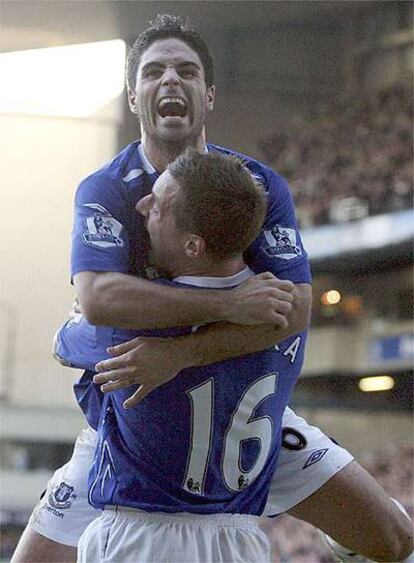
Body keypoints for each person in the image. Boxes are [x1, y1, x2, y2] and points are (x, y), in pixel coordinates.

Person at [11, 13, 412, 563]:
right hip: (137, 419)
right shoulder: (108, 188)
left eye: (186, 70)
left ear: (210, 93)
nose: (170, 80)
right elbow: (104, 298)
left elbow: (292, 311)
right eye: (153, 72)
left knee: (392, 537)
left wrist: (175, 352)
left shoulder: (254, 185)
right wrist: (228, 305)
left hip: (242, 413)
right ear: (134, 97)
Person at [58, 149, 310, 562]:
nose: (141, 207)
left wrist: (80, 315)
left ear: (192, 245)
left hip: (142, 533)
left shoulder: (136, 321)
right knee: (393, 538)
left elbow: (66, 342)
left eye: (157, 207)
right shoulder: (280, 317)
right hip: (241, 537)